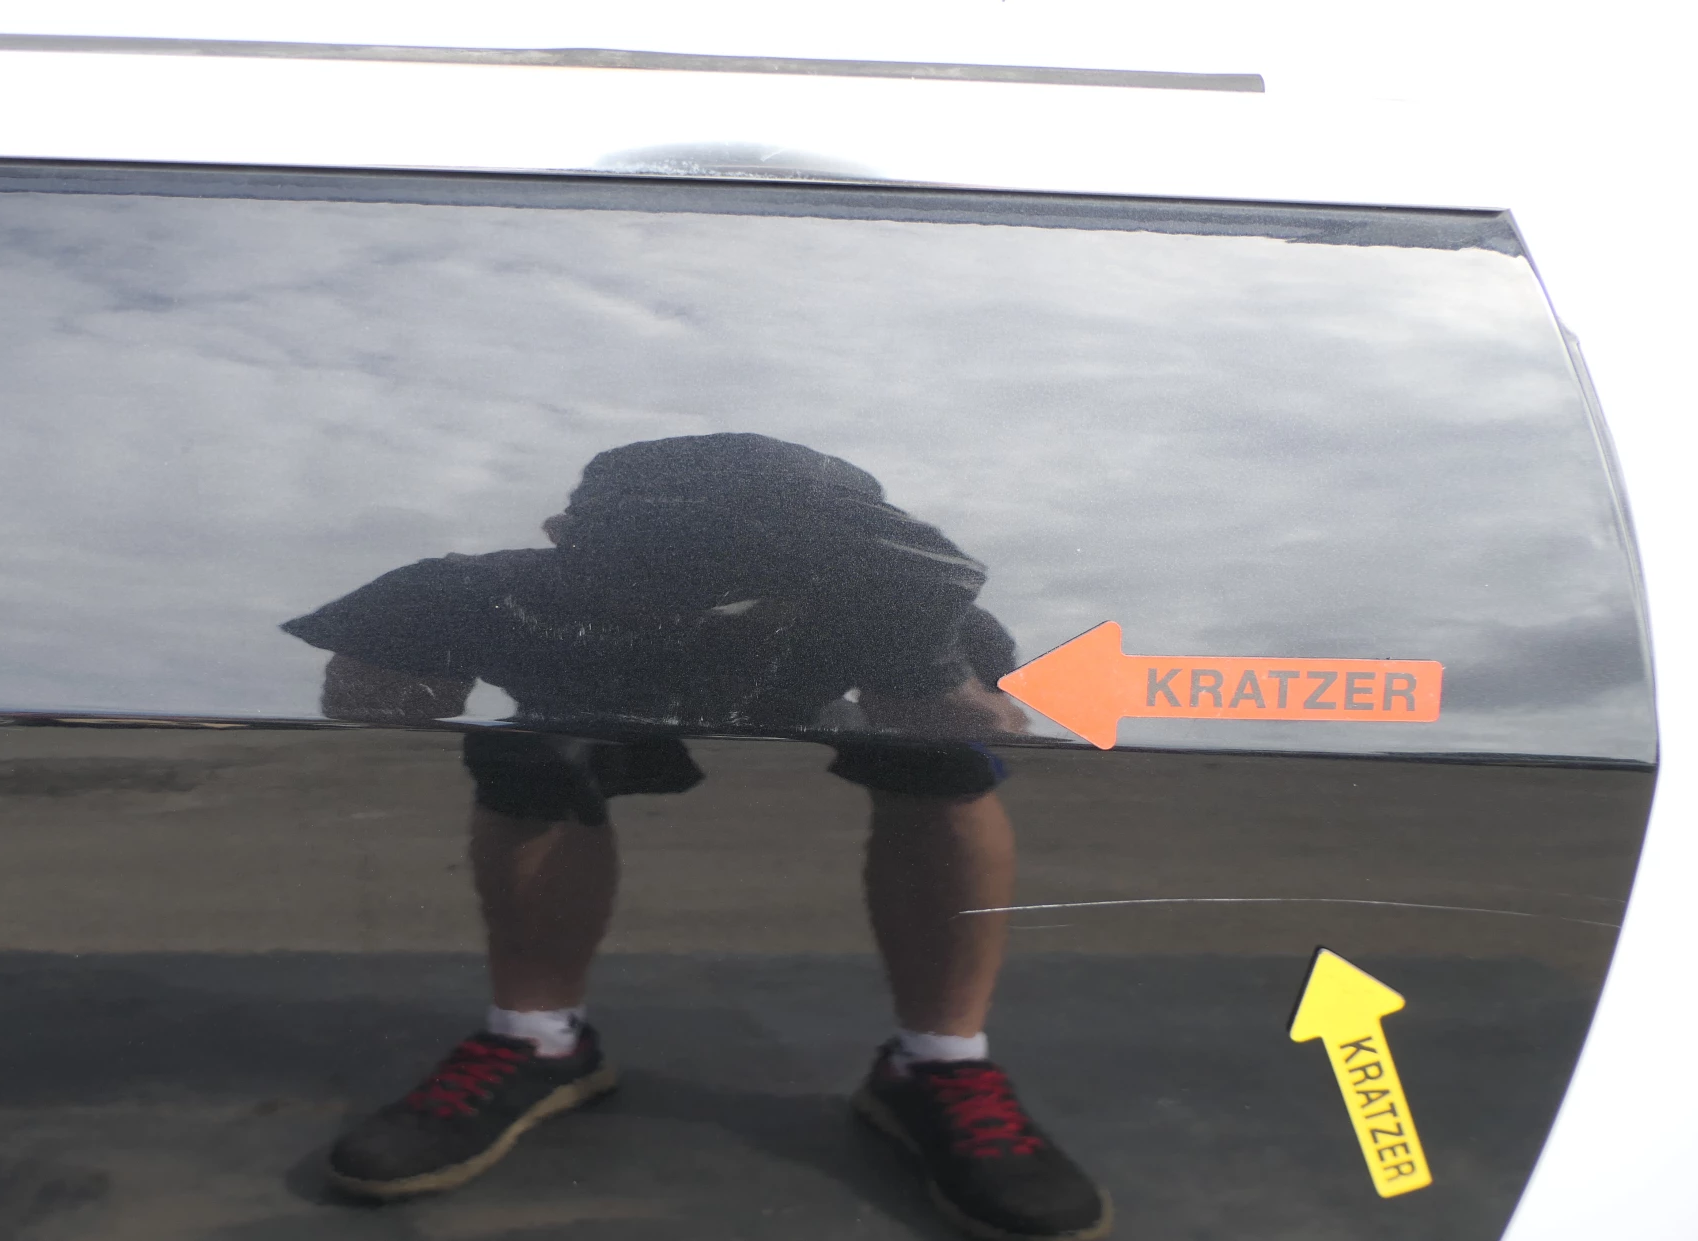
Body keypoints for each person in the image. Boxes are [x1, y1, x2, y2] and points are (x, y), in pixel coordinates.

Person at [282, 433, 1111, 1240]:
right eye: (654, 562)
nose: (694, 597)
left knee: (941, 763)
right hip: (587, 704)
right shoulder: (493, 593)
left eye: (741, 566)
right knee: (527, 756)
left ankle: (940, 1059)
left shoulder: (891, 598)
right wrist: (405, 643)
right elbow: (366, 703)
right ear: (559, 540)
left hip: (807, 690)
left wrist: (913, 653)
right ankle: (537, 1038)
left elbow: (990, 729)